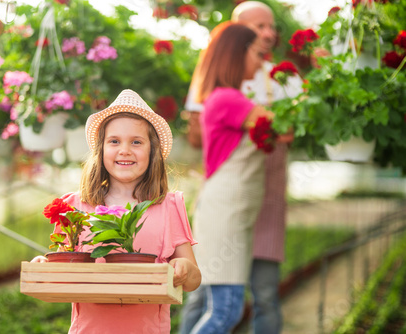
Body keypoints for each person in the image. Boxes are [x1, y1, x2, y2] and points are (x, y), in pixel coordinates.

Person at [32, 89, 201, 334]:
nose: (125, 150)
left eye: (136, 142)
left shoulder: (168, 206)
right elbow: (62, 269)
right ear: (101, 150)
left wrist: (185, 268)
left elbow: (194, 281)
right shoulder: (75, 207)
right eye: (114, 141)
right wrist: (43, 268)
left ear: (152, 151)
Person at [180, 2, 303, 334]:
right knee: (225, 310)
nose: (259, 55)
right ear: (236, 56)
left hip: (237, 209)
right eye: (252, 49)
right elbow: (286, 128)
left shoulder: (226, 97)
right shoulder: (230, 100)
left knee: (226, 308)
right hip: (227, 212)